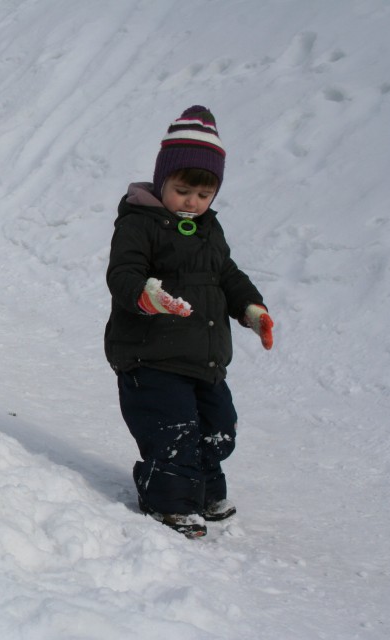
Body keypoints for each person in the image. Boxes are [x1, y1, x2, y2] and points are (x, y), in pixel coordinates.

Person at [103, 106, 274, 538]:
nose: (192, 203)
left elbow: (229, 276)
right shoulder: (140, 223)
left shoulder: (209, 230)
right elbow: (123, 273)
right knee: (173, 430)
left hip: (205, 358)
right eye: (182, 191)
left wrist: (252, 310)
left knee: (218, 430)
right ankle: (169, 503)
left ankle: (204, 492)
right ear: (163, 182)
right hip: (152, 354)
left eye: (203, 195)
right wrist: (146, 295)